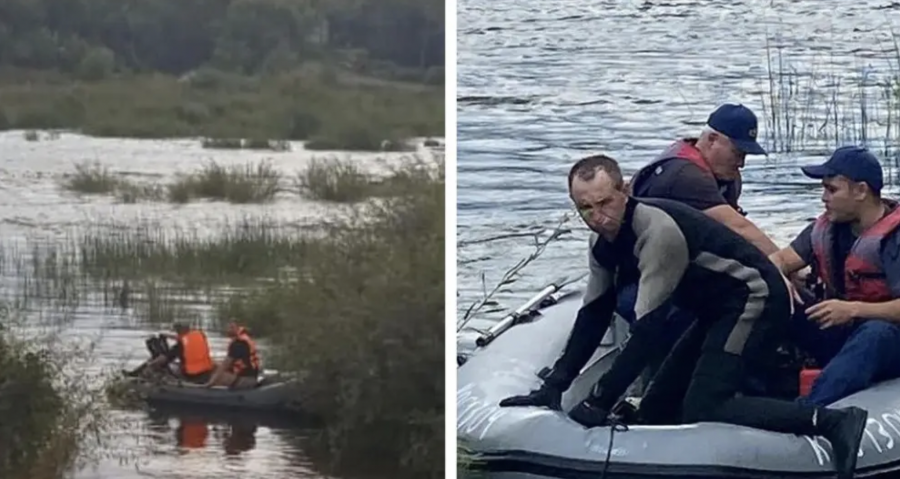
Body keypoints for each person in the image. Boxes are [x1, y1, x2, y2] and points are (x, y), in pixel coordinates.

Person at [499, 154, 868, 479]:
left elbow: (647, 332)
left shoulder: (657, 232)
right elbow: (593, 315)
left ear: (624, 192)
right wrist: (553, 388)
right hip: (713, 309)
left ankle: (832, 421)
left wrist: (599, 400)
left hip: (754, 298)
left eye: (606, 202)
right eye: (586, 209)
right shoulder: (602, 245)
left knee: (706, 402)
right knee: (656, 407)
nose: (599, 217)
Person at [618, 104, 784, 391]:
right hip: (641, 280)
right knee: (703, 313)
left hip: (685, 270)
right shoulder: (684, 176)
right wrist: (783, 266)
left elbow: (734, 240)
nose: (741, 163)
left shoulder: (724, 176)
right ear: (710, 140)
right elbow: (739, 229)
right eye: (738, 153)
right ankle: (667, 392)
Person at [769, 146, 900, 406]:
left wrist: (853, 310)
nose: (823, 198)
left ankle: (807, 411)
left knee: (875, 333)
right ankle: (747, 393)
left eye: (832, 189)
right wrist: (778, 278)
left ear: (861, 191)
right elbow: (780, 260)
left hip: (889, 341)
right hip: (843, 333)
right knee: (772, 296)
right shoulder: (826, 226)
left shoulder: (893, 238)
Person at [125, 323, 215, 384]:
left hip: (192, 376)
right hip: (206, 373)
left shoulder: (179, 346)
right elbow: (182, 338)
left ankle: (133, 376)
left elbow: (163, 359)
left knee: (156, 362)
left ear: (179, 332)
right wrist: (167, 335)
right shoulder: (199, 336)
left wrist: (150, 364)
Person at [203, 322, 261, 390]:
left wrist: (210, 383)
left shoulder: (238, 344)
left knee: (216, 376)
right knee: (214, 366)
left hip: (246, 380)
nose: (229, 330)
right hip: (249, 376)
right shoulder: (244, 338)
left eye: (232, 327)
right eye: (228, 327)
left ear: (238, 327)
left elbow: (224, 365)